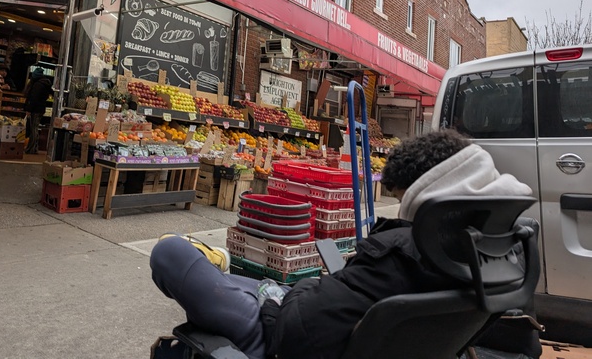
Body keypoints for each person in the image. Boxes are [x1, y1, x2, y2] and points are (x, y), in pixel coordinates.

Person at [150, 130, 541, 359]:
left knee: (170, 254)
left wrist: (283, 297)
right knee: (243, 283)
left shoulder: (399, 253)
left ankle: (234, 277)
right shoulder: (494, 257)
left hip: (278, 335)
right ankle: (233, 273)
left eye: (401, 196)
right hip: (346, 324)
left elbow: (299, 329)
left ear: (425, 192)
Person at [23, 67, 52, 154]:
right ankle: (33, 148)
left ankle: (31, 148)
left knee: (33, 129)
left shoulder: (37, 85)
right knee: (35, 127)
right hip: (41, 108)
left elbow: (33, 98)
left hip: (35, 109)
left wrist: (29, 109)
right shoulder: (45, 84)